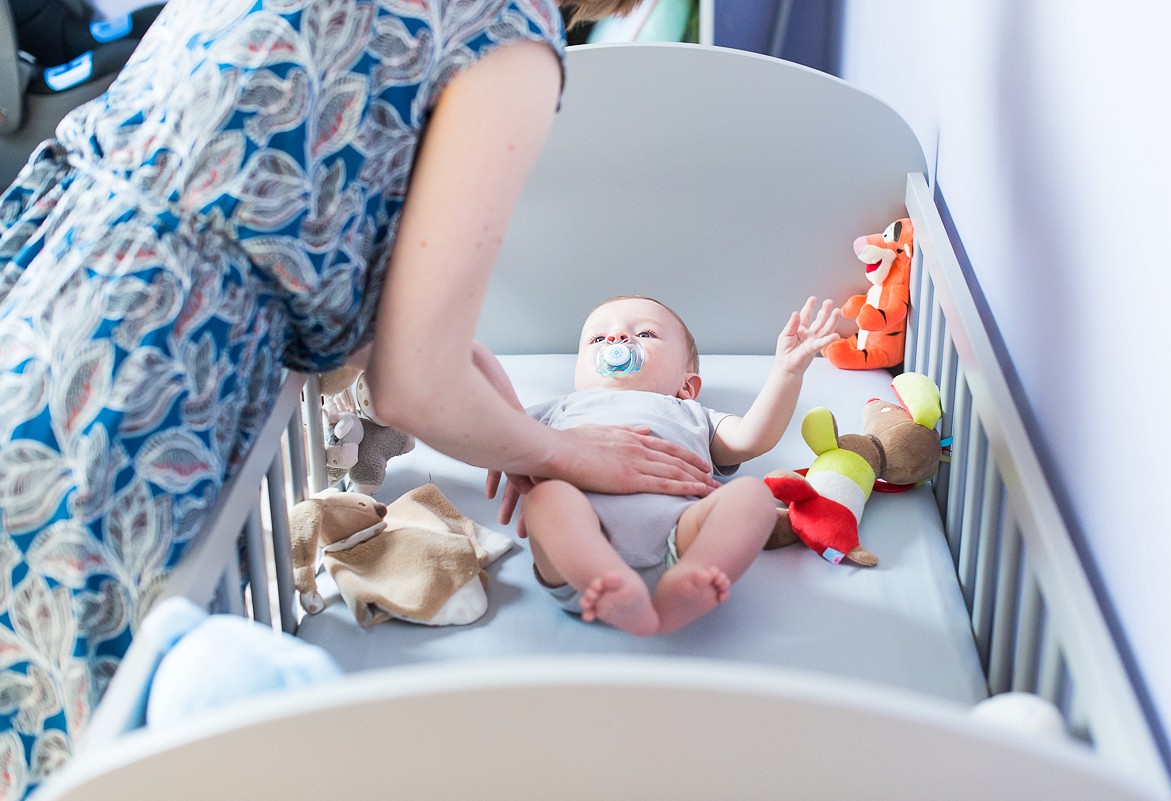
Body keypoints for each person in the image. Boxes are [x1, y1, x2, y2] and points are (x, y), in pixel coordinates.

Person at [0, 1, 717, 796]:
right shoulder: (508, 35)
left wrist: (505, 422)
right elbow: (416, 382)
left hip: (40, 269)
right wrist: (562, 450)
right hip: (138, 361)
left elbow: (280, 200)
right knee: (81, 727)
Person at [514, 295, 842, 636]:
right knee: (546, 499)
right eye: (598, 338)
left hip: (678, 540)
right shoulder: (563, 407)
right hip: (577, 558)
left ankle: (694, 576)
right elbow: (500, 432)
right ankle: (607, 581)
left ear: (687, 386)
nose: (616, 339)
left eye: (644, 334)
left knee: (751, 495)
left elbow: (750, 438)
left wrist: (787, 372)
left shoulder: (689, 412)